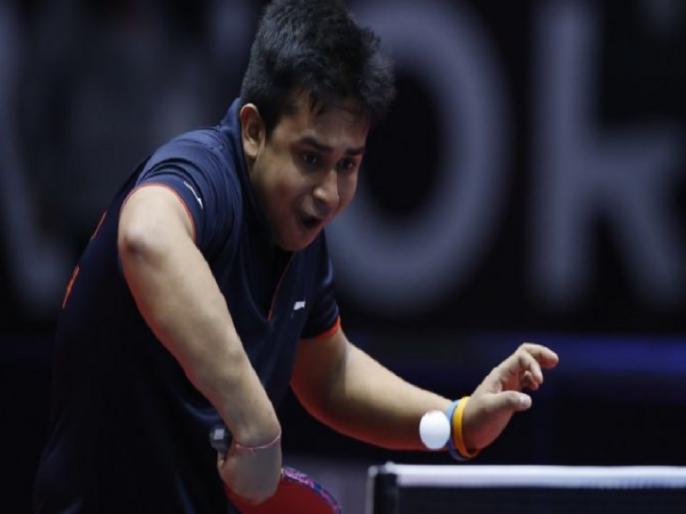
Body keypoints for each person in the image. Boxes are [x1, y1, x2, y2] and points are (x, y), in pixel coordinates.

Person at [33, 0, 559, 512]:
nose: (329, 193)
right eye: (311, 158)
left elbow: (330, 375)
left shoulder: (295, 235)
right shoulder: (205, 174)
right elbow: (146, 238)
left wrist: (457, 421)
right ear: (254, 130)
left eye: (348, 164)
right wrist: (257, 425)